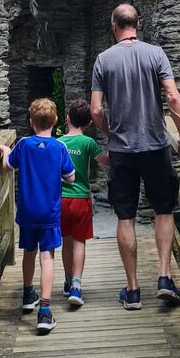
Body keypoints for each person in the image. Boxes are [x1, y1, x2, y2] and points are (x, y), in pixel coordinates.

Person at [90, 3, 180, 311]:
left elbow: (96, 110)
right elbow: (173, 97)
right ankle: (164, 277)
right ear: (138, 24)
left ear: (114, 26)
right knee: (164, 211)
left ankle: (133, 289)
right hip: (155, 146)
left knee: (126, 216)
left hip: (123, 151)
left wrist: (110, 133)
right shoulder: (156, 54)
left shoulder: (103, 60)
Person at [0, 98, 75, 334]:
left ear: (30, 122)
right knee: (47, 256)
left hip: (28, 211)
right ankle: (45, 312)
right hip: (49, 213)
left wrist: (5, 150)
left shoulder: (24, 144)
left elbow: (8, 166)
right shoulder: (59, 148)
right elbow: (70, 176)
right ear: (56, 121)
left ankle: (29, 294)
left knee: (28, 252)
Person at [59, 98, 110, 307]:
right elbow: (105, 162)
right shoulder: (88, 143)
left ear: (67, 119)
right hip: (81, 199)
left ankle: (67, 279)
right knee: (80, 242)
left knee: (66, 242)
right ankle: (77, 286)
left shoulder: (59, 143)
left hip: (60, 199)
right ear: (89, 123)